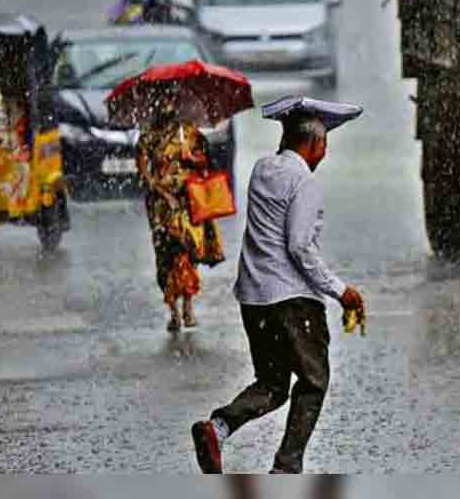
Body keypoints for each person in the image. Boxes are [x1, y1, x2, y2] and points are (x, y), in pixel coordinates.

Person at [191, 109, 364, 475]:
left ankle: (217, 429)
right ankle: (286, 468)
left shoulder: (261, 170)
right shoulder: (304, 182)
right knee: (314, 381)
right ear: (314, 143)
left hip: (254, 298)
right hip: (292, 301)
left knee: (271, 383)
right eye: (324, 144)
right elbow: (299, 246)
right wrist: (340, 291)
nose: (324, 152)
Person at [136, 95, 225, 332]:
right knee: (166, 258)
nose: (167, 107)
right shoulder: (147, 138)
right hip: (160, 207)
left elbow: (205, 163)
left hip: (187, 203)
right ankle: (173, 311)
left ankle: (188, 307)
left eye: (171, 102)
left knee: (187, 254)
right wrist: (163, 193)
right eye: (162, 102)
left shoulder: (190, 133)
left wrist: (193, 158)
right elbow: (144, 172)